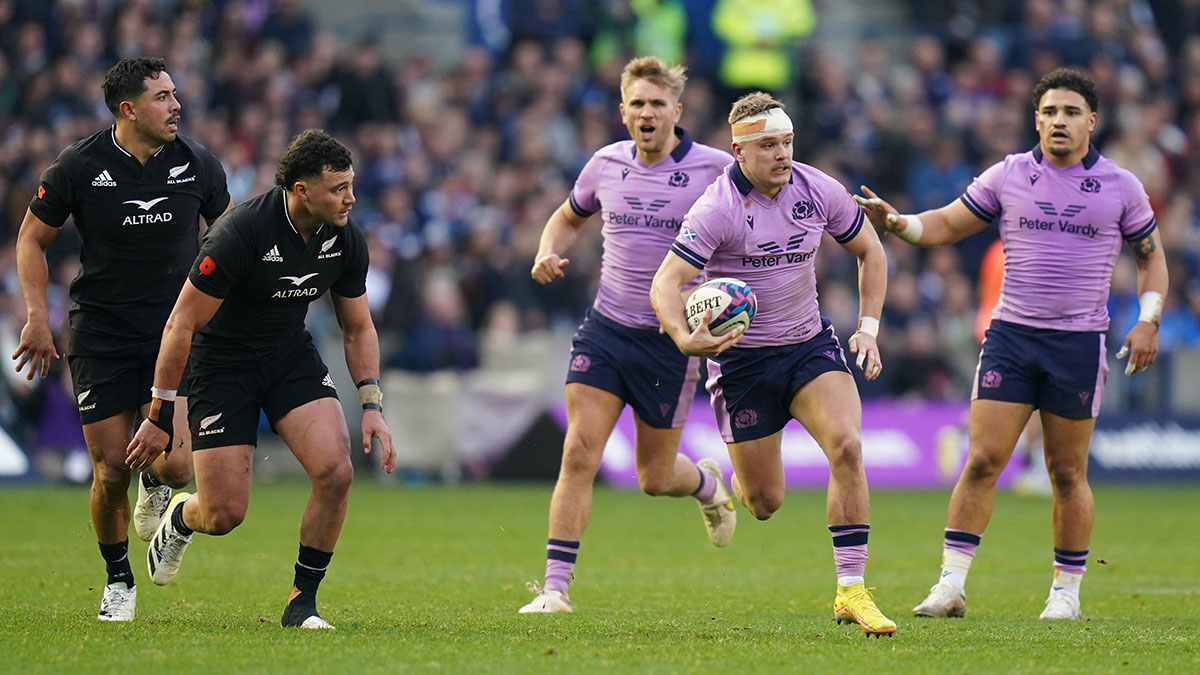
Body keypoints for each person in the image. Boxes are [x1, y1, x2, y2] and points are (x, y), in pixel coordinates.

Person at [856, 68, 1169, 620]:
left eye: (1071, 112)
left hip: (1077, 343)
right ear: (1036, 120)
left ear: (1091, 121)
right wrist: (899, 222)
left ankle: (1066, 594)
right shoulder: (1009, 175)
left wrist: (1148, 318)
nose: (1059, 122)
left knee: (1067, 473)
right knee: (982, 460)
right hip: (1011, 338)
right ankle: (950, 585)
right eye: (1049, 112)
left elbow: (1151, 260)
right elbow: (949, 224)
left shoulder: (1121, 186)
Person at [125, 129, 396, 630]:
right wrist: (160, 412)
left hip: (288, 356)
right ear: (300, 190)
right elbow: (181, 323)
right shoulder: (240, 232)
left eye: (351, 185)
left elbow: (357, 327)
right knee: (224, 514)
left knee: (336, 473)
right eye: (338, 188)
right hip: (222, 365)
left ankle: (302, 602)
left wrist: (372, 405)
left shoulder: (344, 236)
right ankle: (183, 515)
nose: (350, 198)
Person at [650, 92, 897, 636]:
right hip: (742, 366)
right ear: (738, 151)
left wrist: (868, 328)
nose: (782, 154)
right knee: (764, 502)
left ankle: (852, 590)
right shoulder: (716, 209)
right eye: (768, 145)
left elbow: (871, 250)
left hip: (809, 347)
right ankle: (729, 483)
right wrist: (683, 338)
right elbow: (665, 283)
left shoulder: (817, 188)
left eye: (787, 142)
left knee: (848, 446)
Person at [12, 57, 231, 622]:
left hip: (174, 335)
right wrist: (38, 316)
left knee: (179, 470)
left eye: (175, 93)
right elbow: (31, 240)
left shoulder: (198, 165)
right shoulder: (78, 166)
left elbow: (232, 241)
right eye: (162, 97)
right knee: (109, 470)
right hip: (102, 332)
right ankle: (118, 579)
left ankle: (156, 491)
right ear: (128, 109)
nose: (176, 105)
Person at [520, 56, 735, 614]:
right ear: (623, 112)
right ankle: (555, 589)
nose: (647, 112)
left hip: (672, 340)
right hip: (607, 329)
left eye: (657, 104)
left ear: (677, 112)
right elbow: (569, 215)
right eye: (637, 103)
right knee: (578, 453)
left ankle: (708, 488)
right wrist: (548, 249)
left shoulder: (716, 170)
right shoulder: (604, 164)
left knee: (655, 476)